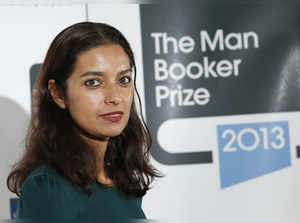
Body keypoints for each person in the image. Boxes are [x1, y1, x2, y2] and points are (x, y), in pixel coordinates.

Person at [7, 21, 160, 221]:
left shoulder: (122, 180)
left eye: (123, 80)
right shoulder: (49, 188)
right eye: (93, 82)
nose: (115, 97)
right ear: (58, 94)